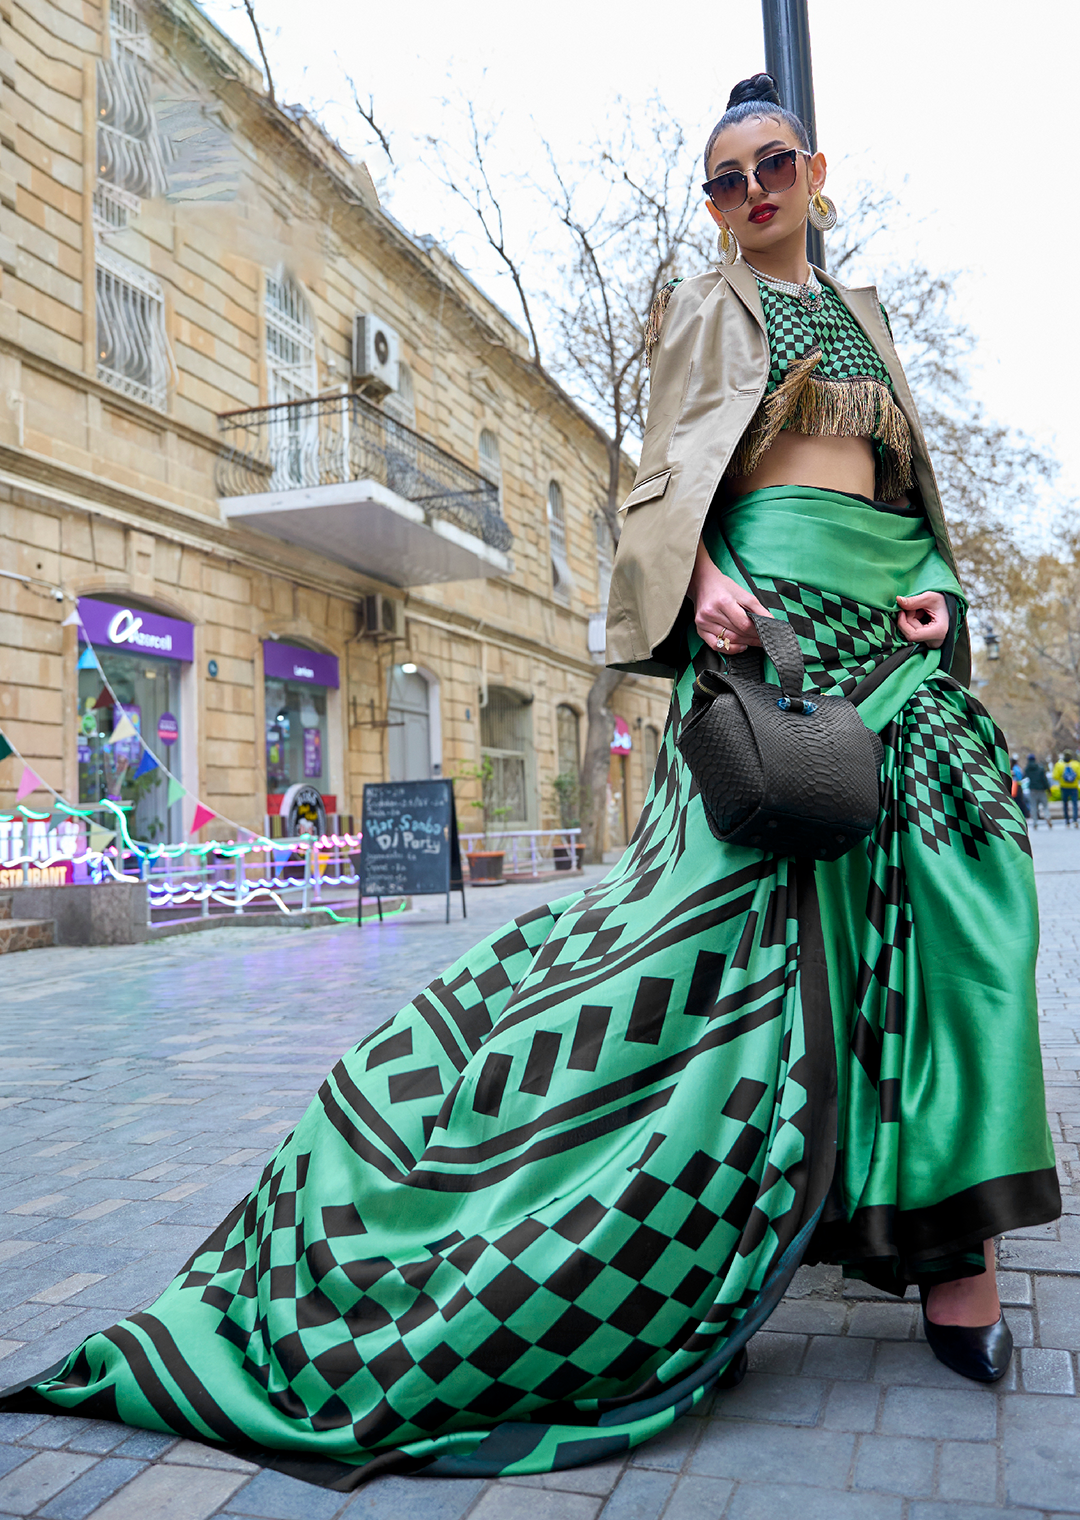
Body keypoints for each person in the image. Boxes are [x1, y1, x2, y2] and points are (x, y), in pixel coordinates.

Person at [4, 73, 1060, 1483]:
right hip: (775, 647)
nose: (752, 192)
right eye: (726, 177)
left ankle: (953, 1247)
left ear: (818, 173)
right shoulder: (703, 308)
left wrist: (935, 583)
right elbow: (662, 478)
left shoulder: (866, 317)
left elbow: (909, 485)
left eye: (774, 166)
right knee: (716, 959)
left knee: (960, 909)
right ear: (713, 204)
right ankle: (680, 1236)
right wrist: (703, 580)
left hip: (895, 642)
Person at [1024, 753, 1052, 828]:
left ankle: (1035, 822)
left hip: (1032, 789)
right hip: (1041, 789)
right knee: (1045, 806)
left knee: (1033, 806)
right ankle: (1047, 817)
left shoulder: (1027, 769)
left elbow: (1024, 777)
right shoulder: (1040, 768)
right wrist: (1049, 790)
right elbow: (1044, 780)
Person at [1053, 750, 1080, 826]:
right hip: (1074, 787)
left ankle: (1067, 820)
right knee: (1074, 804)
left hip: (1064, 787)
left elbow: (1055, 776)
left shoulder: (1059, 765)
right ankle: (1075, 819)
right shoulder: (1076, 764)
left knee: (1065, 804)